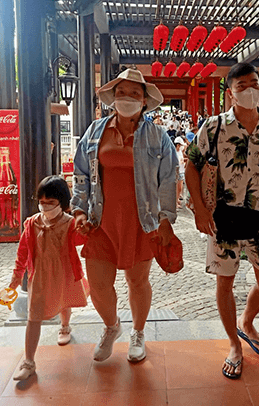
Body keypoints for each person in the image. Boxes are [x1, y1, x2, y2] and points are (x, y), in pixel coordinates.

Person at [71, 68, 178, 363]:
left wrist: (166, 219)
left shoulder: (158, 136)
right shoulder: (95, 132)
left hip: (142, 221)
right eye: (121, 93)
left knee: (138, 281)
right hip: (100, 221)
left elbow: (169, 178)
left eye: (134, 93)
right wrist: (79, 209)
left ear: (144, 100)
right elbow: (81, 173)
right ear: (112, 98)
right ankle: (112, 326)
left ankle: (139, 332)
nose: (127, 98)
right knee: (99, 285)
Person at [185, 62, 259, 380]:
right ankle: (233, 345)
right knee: (224, 282)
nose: (249, 89)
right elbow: (192, 165)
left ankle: (247, 322)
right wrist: (199, 208)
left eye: (254, 83)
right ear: (230, 93)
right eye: (241, 85)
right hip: (222, 218)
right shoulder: (213, 127)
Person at [10, 176, 89, 381]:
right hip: (39, 277)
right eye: (42, 202)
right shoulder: (31, 223)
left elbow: (82, 240)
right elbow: (23, 252)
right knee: (33, 316)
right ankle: (28, 361)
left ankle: (64, 326)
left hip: (64, 273)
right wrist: (17, 276)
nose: (45, 207)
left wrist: (87, 229)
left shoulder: (70, 224)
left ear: (62, 203)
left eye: (51, 203)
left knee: (63, 301)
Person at [174, 136, 186, 209]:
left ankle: (177, 199)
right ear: (178, 145)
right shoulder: (173, 151)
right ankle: (175, 203)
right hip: (177, 171)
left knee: (180, 188)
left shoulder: (180, 152)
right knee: (177, 188)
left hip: (181, 171)